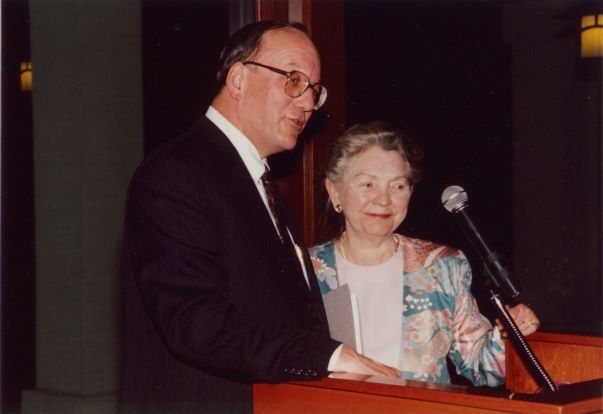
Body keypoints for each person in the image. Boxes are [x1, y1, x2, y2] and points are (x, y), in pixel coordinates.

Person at [119, 21, 398, 414]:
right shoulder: (176, 174)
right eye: (294, 79)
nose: (307, 102)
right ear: (238, 79)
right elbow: (196, 323)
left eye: (314, 90)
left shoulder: (257, 180)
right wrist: (328, 357)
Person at [310, 121, 539, 386]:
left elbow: (480, 367)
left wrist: (508, 335)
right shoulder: (306, 270)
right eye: (367, 185)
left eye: (397, 186)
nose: (384, 200)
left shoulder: (442, 266)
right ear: (334, 190)